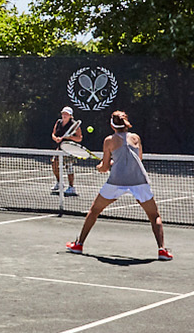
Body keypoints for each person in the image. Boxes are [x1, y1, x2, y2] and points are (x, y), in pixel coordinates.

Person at [65, 110, 172, 260]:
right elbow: (137, 159)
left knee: (94, 211)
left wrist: (101, 167)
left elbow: (104, 167)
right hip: (139, 180)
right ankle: (162, 250)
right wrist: (114, 163)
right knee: (154, 216)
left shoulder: (109, 140)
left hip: (116, 182)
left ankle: (79, 244)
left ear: (111, 125)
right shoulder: (136, 137)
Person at [50, 105, 82, 197]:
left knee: (69, 167)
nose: (64, 115)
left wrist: (70, 137)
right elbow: (53, 133)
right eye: (63, 113)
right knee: (54, 164)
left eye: (66, 114)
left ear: (70, 115)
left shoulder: (74, 124)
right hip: (60, 148)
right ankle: (59, 183)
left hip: (69, 148)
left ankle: (71, 187)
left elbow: (79, 138)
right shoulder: (59, 122)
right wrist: (56, 138)